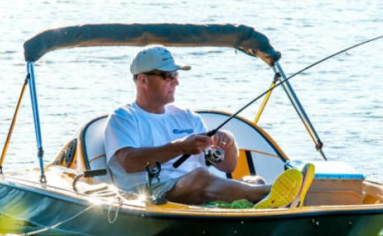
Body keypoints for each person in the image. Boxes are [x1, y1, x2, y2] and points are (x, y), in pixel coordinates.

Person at [103, 45, 313, 207]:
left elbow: (226, 167)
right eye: (168, 76)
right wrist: (180, 147)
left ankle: (266, 194)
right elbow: (128, 162)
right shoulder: (124, 117)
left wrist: (228, 144)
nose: (176, 82)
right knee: (200, 178)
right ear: (142, 80)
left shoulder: (188, 117)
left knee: (254, 180)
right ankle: (276, 195)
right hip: (152, 194)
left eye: (176, 76)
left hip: (198, 190)